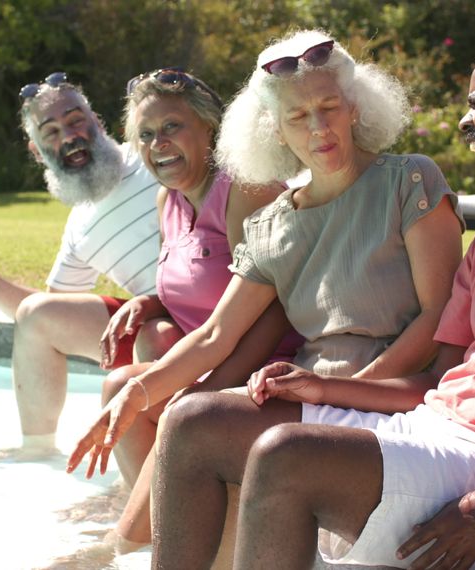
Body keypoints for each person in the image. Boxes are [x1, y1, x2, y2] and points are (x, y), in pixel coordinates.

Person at [150, 36, 475, 569]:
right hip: (431, 433)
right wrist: (328, 388)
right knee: (194, 421)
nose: (464, 123)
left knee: (283, 454)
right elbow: (434, 386)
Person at [66, 25, 463, 546]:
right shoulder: (273, 224)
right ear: (275, 130)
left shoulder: (408, 180)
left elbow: (440, 317)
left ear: (356, 107)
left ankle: (124, 549)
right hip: (310, 394)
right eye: (298, 116)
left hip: (392, 395)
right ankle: (126, 551)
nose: (318, 127)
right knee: (186, 420)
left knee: (196, 424)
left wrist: (349, 394)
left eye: (330, 106)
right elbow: (214, 336)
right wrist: (135, 395)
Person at [80, 68, 302, 555]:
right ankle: (162, 526)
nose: (158, 142)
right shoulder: (168, 200)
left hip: (268, 371)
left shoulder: (247, 190)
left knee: (177, 409)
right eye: (145, 134)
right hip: (210, 360)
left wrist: (210, 387)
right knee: (118, 385)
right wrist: (146, 302)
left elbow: (276, 309)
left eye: (172, 127)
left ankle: (131, 545)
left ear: (209, 129)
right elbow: (201, 279)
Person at [0, 74, 176, 458]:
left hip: (196, 311)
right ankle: (37, 452)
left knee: (156, 337)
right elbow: (48, 312)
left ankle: (141, 486)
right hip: (154, 323)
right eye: (50, 131)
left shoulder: (151, 158)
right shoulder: (79, 227)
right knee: (37, 317)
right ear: (37, 152)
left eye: (75, 120)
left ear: (98, 121)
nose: (68, 136)